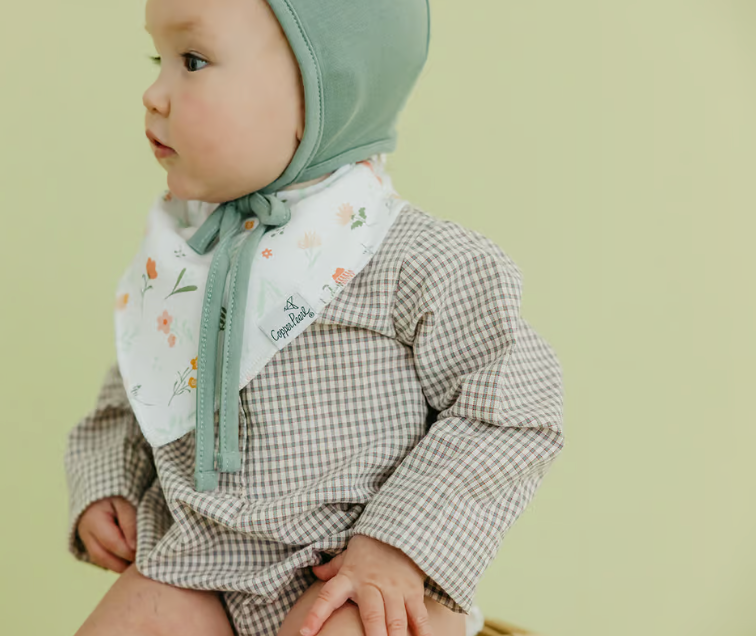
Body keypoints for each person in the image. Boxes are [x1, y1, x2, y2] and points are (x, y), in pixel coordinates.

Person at [63, 0, 565, 634]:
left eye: (192, 61)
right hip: (199, 563)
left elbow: (512, 408)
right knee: (135, 617)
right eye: (155, 58)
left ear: (322, 91)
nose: (153, 94)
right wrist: (111, 481)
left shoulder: (412, 257)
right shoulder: (190, 252)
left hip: (357, 571)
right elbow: (145, 378)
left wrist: (400, 545)